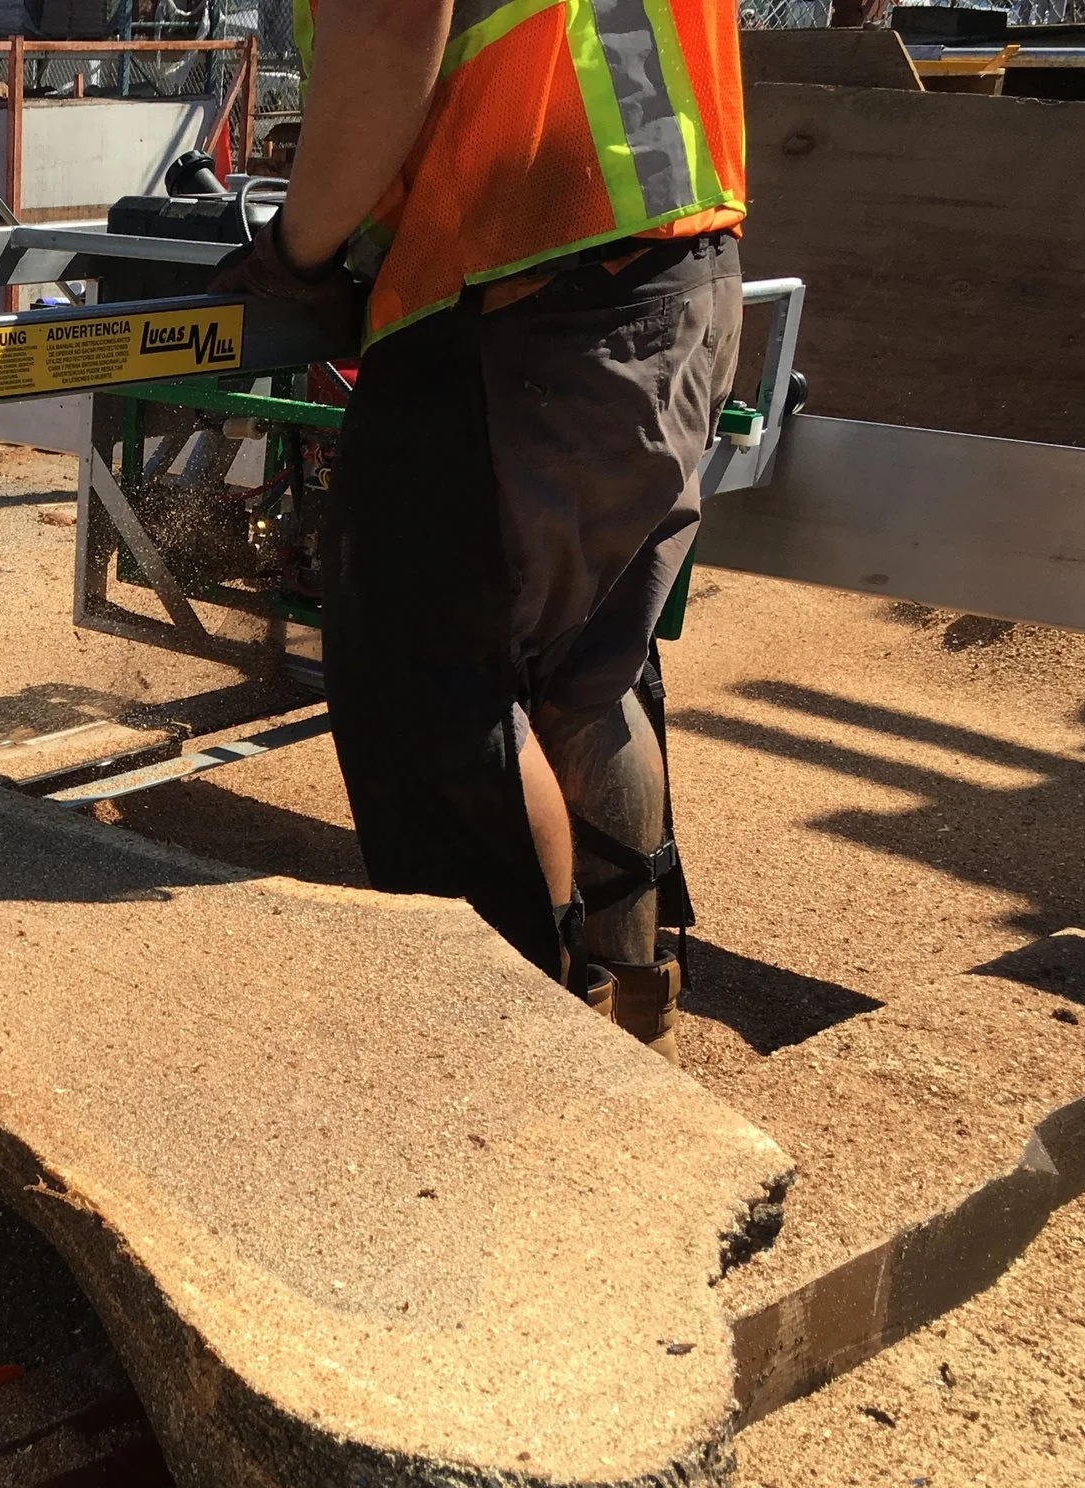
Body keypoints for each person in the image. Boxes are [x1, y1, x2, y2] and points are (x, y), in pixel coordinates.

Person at [213, 0, 747, 1062]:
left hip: (512, 281)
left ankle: (509, 1069)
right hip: (675, 268)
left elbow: (391, 19)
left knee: (437, 702)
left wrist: (299, 251)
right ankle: (627, 1022)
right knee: (587, 672)